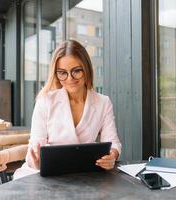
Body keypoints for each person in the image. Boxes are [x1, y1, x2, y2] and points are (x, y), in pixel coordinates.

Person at [14, 40, 121, 179]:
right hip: (45, 174)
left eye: (76, 71)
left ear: (86, 68)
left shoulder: (103, 102)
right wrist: (36, 160)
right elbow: (34, 149)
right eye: (62, 73)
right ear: (56, 74)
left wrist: (111, 157)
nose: (70, 78)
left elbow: (113, 142)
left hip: (85, 173)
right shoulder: (45, 101)